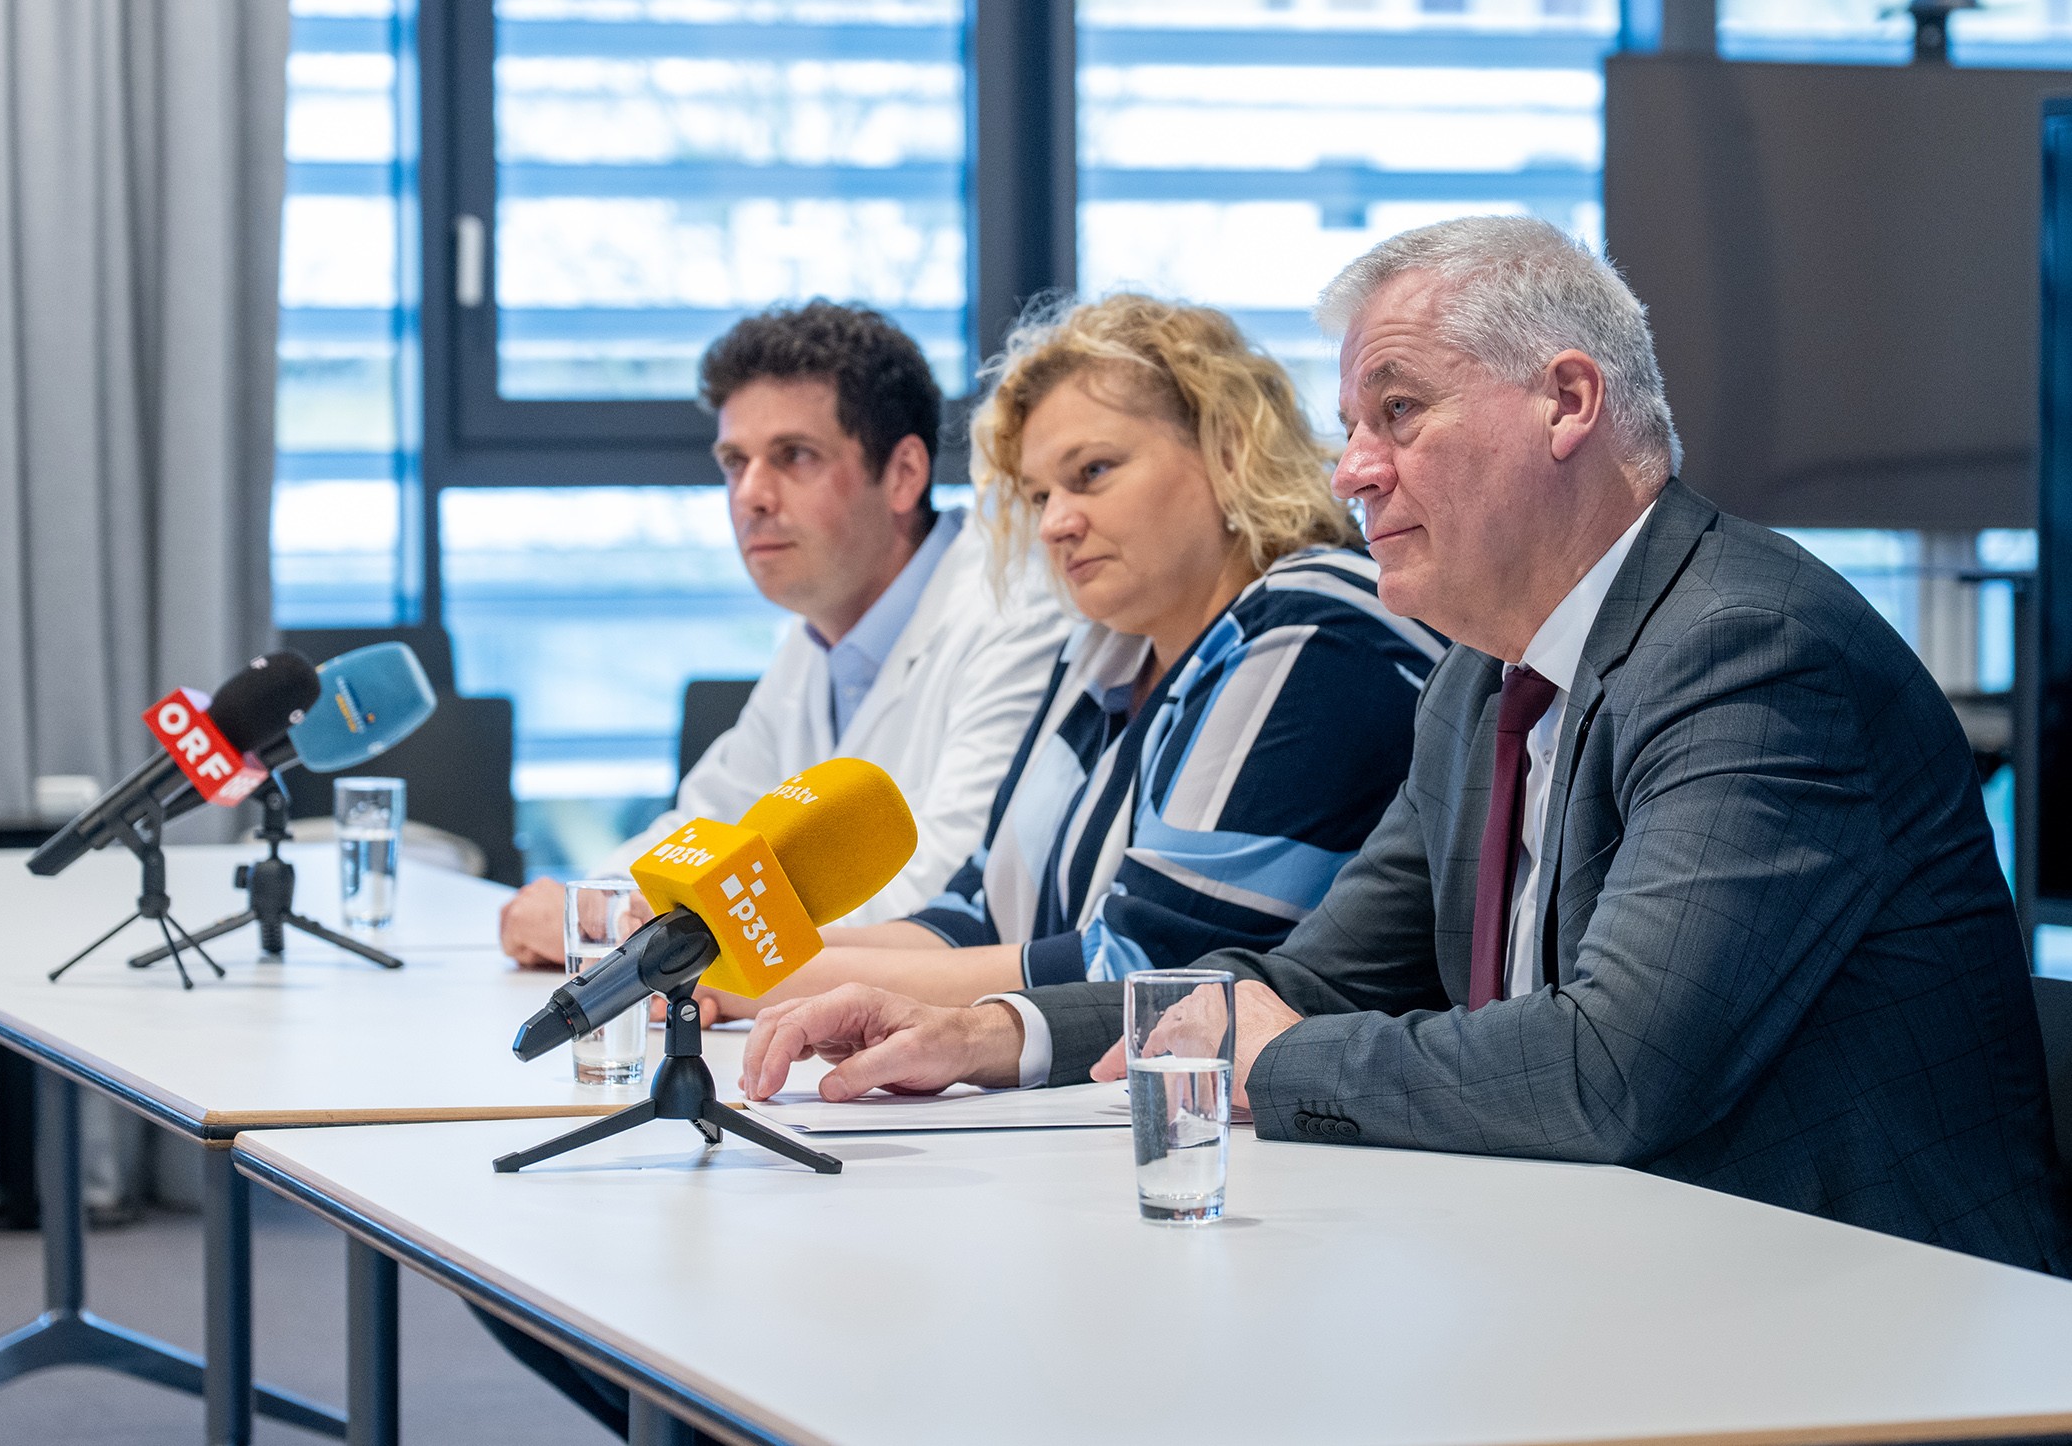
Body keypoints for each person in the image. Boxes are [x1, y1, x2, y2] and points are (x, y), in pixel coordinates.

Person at [740, 217, 2072, 1275]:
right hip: (1619, 1280)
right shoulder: (1480, 678)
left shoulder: (1749, 651)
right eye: (1350, 427)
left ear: (1565, 401)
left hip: (1870, 1325)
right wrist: (988, 1032)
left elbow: (1611, 1068)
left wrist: (1269, 1058)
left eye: (1398, 412)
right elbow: (1313, 977)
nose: (1353, 469)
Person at [701, 293, 1444, 1018]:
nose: (1056, 523)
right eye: (1037, 496)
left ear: (1227, 448)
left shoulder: (1313, 626)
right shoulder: (1109, 647)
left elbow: (1144, 973)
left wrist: (762, 979)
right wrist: (724, 957)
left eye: (1091, 472)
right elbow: (976, 914)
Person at [497, 300, 1067, 967]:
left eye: (794, 456)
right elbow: (703, 831)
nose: (751, 495)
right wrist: (598, 905)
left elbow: (943, 899)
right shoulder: (817, 637)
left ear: (904, 474)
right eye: (734, 462)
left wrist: (652, 939)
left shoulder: (1015, 611)